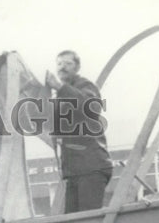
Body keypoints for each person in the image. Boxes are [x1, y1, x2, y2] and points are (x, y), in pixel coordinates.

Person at [45, 51, 113, 213]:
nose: (62, 68)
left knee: (85, 221)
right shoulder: (61, 96)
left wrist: (60, 88)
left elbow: (91, 108)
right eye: (59, 64)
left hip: (91, 168)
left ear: (77, 67)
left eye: (68, 64)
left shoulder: (85, 86)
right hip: (75, 171)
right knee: (74, 222)